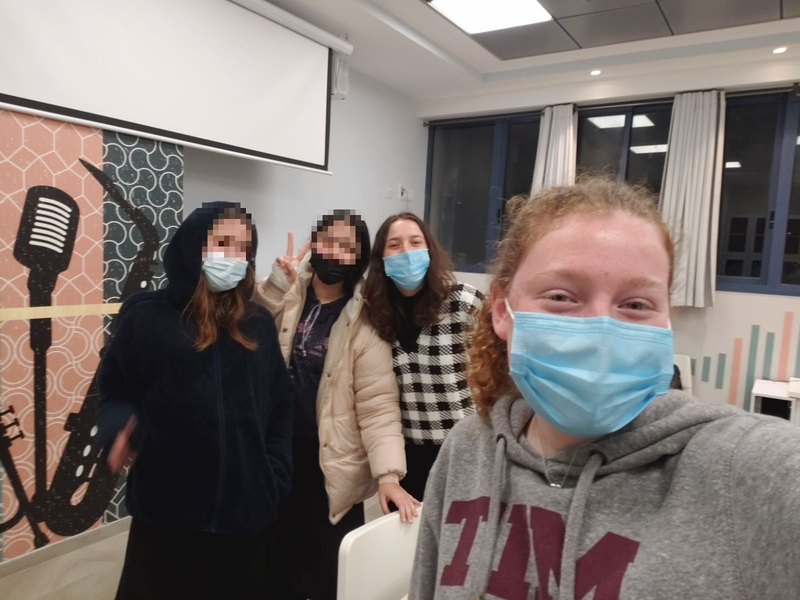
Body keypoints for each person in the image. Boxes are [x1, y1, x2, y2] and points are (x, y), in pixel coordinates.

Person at [410, 179, 800, 600]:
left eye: (635, 304)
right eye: (561, 296)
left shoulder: (734, 470)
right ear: (504, 312)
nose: (601, 330)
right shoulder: (469, 448)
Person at [97, 202, 292, 600]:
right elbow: (115, 390)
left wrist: (273, 477)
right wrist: (120, 425)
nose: (231, 256)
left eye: (242, 248)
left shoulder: (258, 325)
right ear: (192, 245)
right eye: (221, 242)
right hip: (168, 517)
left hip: (246, 517)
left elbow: (279, 408)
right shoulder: (146, 317)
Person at [257, 210, 419, 600]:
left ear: (359, 258)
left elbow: (378, 404)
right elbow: (246, 327)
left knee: (327, 573)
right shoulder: (287, 293)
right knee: (270, 567)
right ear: (315, 243)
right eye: (329, 240)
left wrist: (388, 476)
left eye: (348, 246)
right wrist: (277, 284)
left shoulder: (365, 318)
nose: (336, 252)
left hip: (328, 466)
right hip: (272, 455)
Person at [363, 212, 483, 500]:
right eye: (394, 245)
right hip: (406, 457)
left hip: (465, 450)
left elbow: (502, 370)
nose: (406, 251)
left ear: (429, 249)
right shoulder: (373, 313)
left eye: (415, 242)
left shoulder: (463, 302)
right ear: (381, 256)